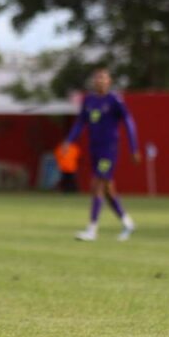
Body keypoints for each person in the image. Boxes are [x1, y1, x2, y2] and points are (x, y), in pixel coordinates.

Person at [65, 68, 139, 241]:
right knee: (108, 189)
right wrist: (69, 141)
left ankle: (92, 230)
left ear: (109, 81)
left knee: (97, 184)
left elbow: (129, 122)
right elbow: (80, 123)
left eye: (104, 78)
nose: (100, 81)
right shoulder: (88, 100)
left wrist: (134, 148)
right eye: (97, 78)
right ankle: (127, 223)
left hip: (109, 148)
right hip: (95, 148)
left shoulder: (114, 100)